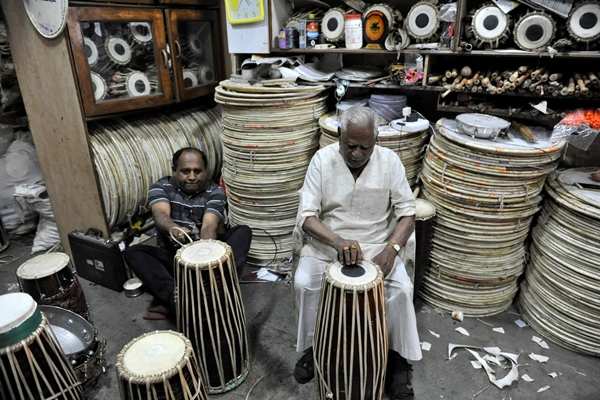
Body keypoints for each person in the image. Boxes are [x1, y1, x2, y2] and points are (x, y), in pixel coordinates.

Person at [293, 107, 421, 399]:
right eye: (350, 145)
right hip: (328, 243)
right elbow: (308, 216)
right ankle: (317, 347)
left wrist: (393, 248)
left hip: (378, 245)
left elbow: (407, 214)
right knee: (305, 283)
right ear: (339, 135)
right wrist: (337, 241)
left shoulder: (390, 161)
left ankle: (396, 360)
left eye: (365, 146)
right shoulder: (322, 161)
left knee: (401, 289)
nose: (357, 153)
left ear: (376, 138)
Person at [125, 147, 252, 319]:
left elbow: (209, 226)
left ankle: (216, 288)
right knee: (134, 252)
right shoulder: (161, 187)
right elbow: (160, 214)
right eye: (185, 171)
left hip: (208, 258)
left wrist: (203, 256)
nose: (192, 177)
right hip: (175, 258)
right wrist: (172, 228)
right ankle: (176, 299)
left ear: (205, 172)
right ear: (174, 170)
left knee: (243, 232)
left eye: (197, 171)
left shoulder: (215, 192)